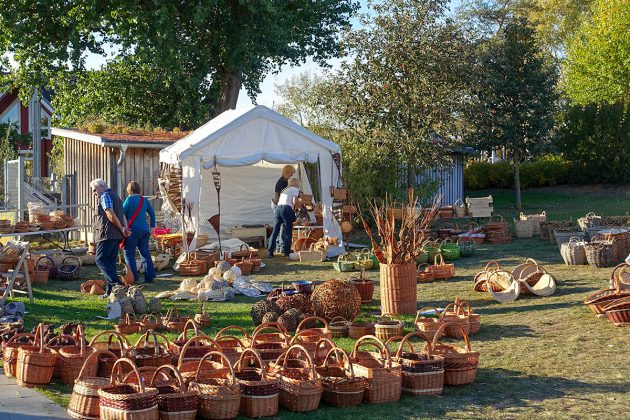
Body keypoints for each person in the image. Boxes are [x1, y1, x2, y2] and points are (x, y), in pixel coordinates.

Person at [90, 178, 130, 297]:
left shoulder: (105, 196)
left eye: (94, 190)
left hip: (107, 234)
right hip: (116, 234)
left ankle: (118, 285)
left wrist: (122, 228)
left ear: (101, 187)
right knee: (110, 263)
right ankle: (110, 292)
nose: (93, 193)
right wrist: (124, 228)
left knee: (100, 259)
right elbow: (122, 215)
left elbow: (110, 214)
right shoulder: (115, 196)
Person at [122, 181, 157, 284]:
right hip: (145, 231)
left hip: (132, 231)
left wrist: (123, 227)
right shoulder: (144, 200)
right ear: (139, 189)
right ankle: (150, 276)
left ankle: (134, 278)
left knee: (129, 254)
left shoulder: (129, 200)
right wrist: (152, 227)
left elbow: (122, 213)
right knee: (145, 253)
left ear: (129, 190)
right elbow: (152, 213)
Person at [268, 177, 301, 258]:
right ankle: (286, 251)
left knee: (275, 231)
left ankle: (270, 252)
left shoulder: (284, 189)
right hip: (286, 208)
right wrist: (298, 208)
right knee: (288, 230)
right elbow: (294, 201)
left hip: (278, 208)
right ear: (297, 183)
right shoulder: (295, 189)